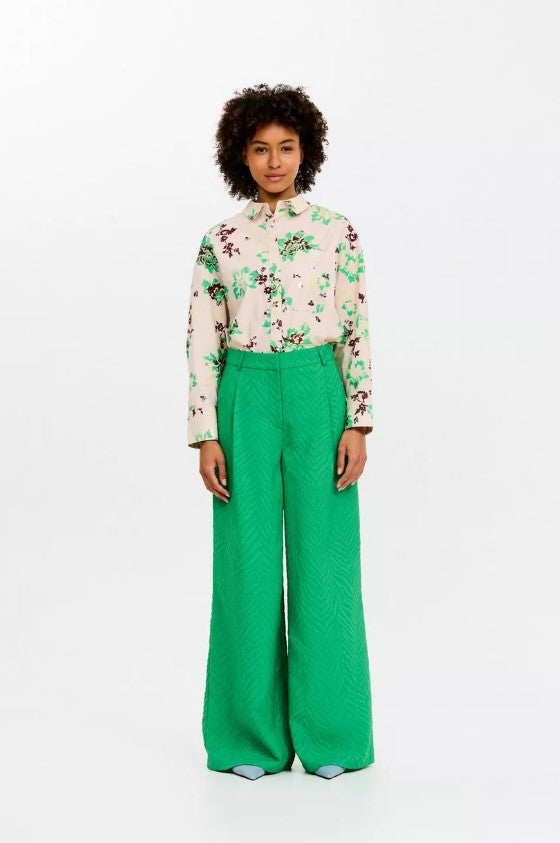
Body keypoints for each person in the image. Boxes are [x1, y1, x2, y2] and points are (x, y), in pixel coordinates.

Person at [186, 83, 375, 780]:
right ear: (241, 155)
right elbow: (202, 338)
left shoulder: (336, 231)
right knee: (248, 562)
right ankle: (249, 738)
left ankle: (333, 735)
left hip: (318, 390)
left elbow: (355, 326)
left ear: (306, 152)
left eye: (286, 147)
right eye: (261, 149)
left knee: (326, 563)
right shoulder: (220, 241)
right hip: (245, 394)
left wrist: (358, 420)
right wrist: (206, 432)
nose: (274, 161)